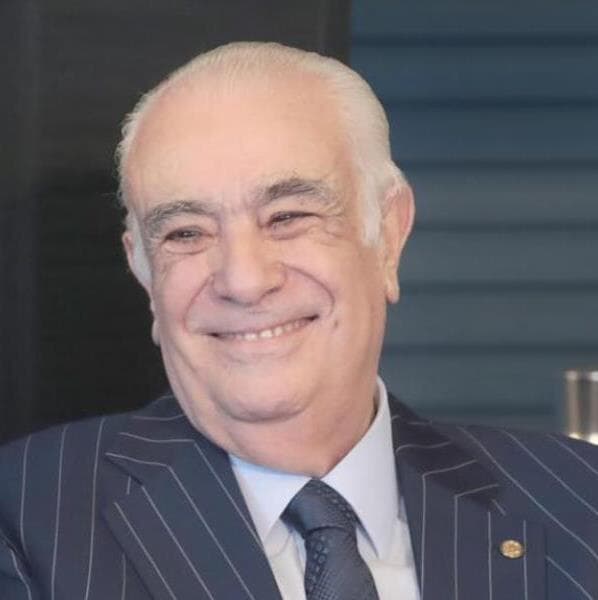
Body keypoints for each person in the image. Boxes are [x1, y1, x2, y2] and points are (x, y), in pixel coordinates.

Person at [0, 42, 597, 600]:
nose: (243, 279)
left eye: (288, 216)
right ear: (143, 271)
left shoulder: (579, 499)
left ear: (388, 235)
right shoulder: (26, 520)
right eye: (185, 233)